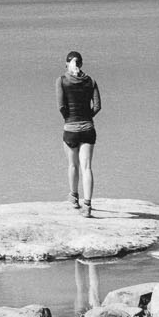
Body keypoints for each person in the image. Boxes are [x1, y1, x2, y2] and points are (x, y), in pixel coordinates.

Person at [58, 49, 101, 215]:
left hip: (70, 129)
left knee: (72, 164)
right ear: (81, 64)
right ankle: (88, 205)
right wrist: (86, 117)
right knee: (87, 167)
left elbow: (61, 106)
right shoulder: (91, 81)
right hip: (88, 129)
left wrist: (69, 119)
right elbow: (97, 106)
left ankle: (74, 198)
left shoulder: (61, 81)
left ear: (66, 64)